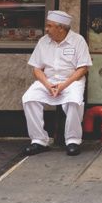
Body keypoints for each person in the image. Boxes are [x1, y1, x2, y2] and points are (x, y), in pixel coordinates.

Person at [21, 10, 92, 156]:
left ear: (61, 28)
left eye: (49, 26)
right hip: (48, 81)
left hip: (72, 81)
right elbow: (37, 69)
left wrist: (64, 85)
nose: (46, 29)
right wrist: (47, 85)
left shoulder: (78, 41)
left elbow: (83, 68)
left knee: (74, 102)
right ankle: (39, 140)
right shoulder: (43, 41)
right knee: (29, 99)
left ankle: (73, 140)